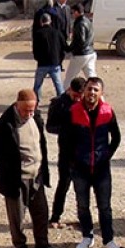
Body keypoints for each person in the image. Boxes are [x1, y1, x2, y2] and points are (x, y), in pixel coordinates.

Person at [0, 89, 57, 248]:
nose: (29, 114)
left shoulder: (36, 118)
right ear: (17, 105)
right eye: (26, 110)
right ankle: (20, 246)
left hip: (37, 176)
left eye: (32, 110)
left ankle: (42, 242)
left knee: (41, 212)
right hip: (17, 180)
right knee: (17, 217)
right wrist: (11, 166)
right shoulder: (5, 124)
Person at [67, 77, 123, 248]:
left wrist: (106, 155)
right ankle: (86, 235)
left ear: (101, 93)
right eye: (89, 89)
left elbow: (116, 137)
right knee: (83, 205)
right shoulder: (74, 111)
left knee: (104, 206)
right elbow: (65, 139)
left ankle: (108, 239)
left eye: (96, 90)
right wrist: (73, 160)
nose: (92, 93)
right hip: (80, 168)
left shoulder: (107, 112)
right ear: (84, 90)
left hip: (101, 168)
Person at [46, 76, 84, 230]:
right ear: (69, 90)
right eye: (76, 95)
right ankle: (55, 217)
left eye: (80, 96)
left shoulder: (86, 102)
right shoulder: (58, 103)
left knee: (82, 187)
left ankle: (83, 218)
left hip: (83, 152)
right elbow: (50, 127)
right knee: (63, 185)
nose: (78, 99)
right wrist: (68, 129)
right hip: (67, 152)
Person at [32, 13, 64, 102]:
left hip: (42, 63)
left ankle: (36, 101)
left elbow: (35, 49)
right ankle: (62, 102)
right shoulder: (57, 32)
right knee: (58, 84)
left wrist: (37, 58)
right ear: (50, 21)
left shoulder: (38, 33)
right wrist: (60, 59)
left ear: (41, 22)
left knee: (37, 85)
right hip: (55, 62)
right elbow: (64, 47)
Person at [63, 4, 96, 89]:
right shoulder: (87, 21)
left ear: (77, 12)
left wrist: (69, 48)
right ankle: (99, 97)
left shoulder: (80, 24)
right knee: (92, 78)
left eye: (73, 12)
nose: (72, 14)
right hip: (90, 52)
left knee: (69, 78)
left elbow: (80, 41)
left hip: (81, 54)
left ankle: (64, 97)